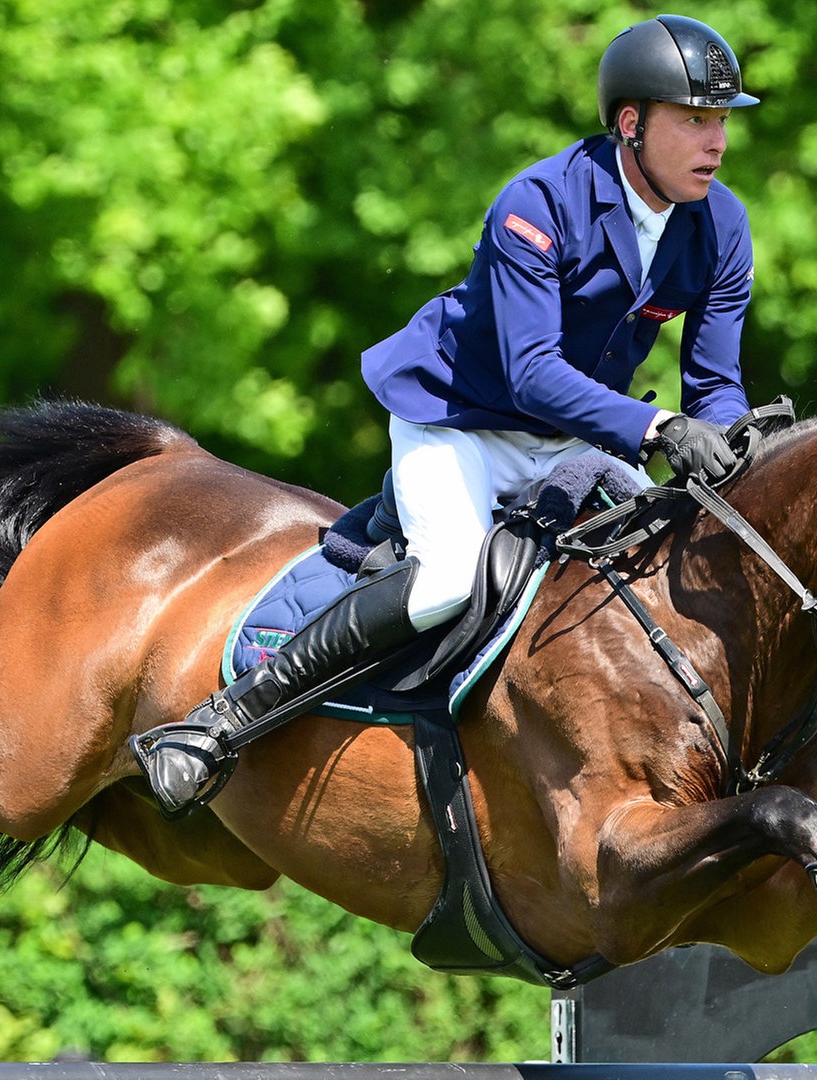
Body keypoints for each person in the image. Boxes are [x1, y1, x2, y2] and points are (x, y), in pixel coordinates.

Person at [139, 14, 762, 816]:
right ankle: (225, 718)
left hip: (577, 436)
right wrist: (659, 430)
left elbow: (715, 383)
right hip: (459, 422)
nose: (716, 143)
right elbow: (532, 373)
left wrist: (736, 445)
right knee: (442, 583)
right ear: (631, 124)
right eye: (694, 121)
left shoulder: (723, 224)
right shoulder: (538, 203)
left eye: (721, 122)